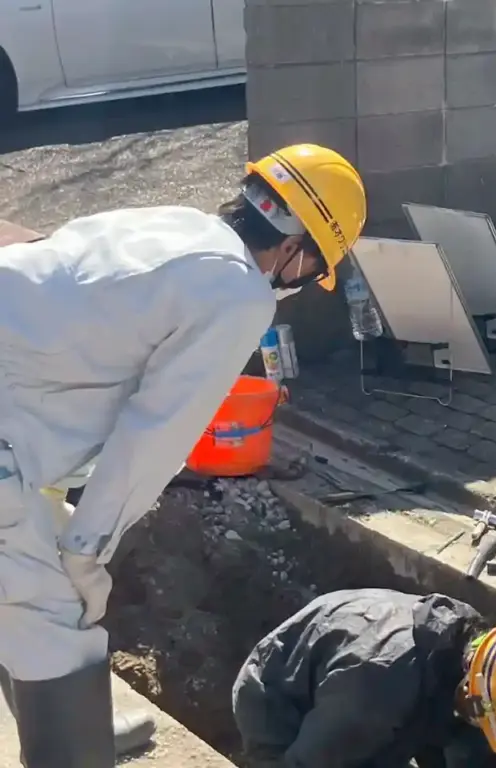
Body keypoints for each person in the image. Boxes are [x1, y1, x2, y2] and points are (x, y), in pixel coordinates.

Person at [0, 143, 367, 767]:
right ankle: (70, 746)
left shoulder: (176, 224)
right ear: (294, 250)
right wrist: (89, 550)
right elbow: (156, 434)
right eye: (309, 273)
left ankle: (71, 729)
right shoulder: (238, 294)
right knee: (54, 611)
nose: (298, 285)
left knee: (25, 591)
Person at [231, 589, 496, 767]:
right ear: (471, 689)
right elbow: (307, 763)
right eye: (484, 721)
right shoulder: (373, 698)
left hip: (347, 684)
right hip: (278, 708)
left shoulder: (465, 639)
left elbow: (449, 730)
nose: (480, 728)